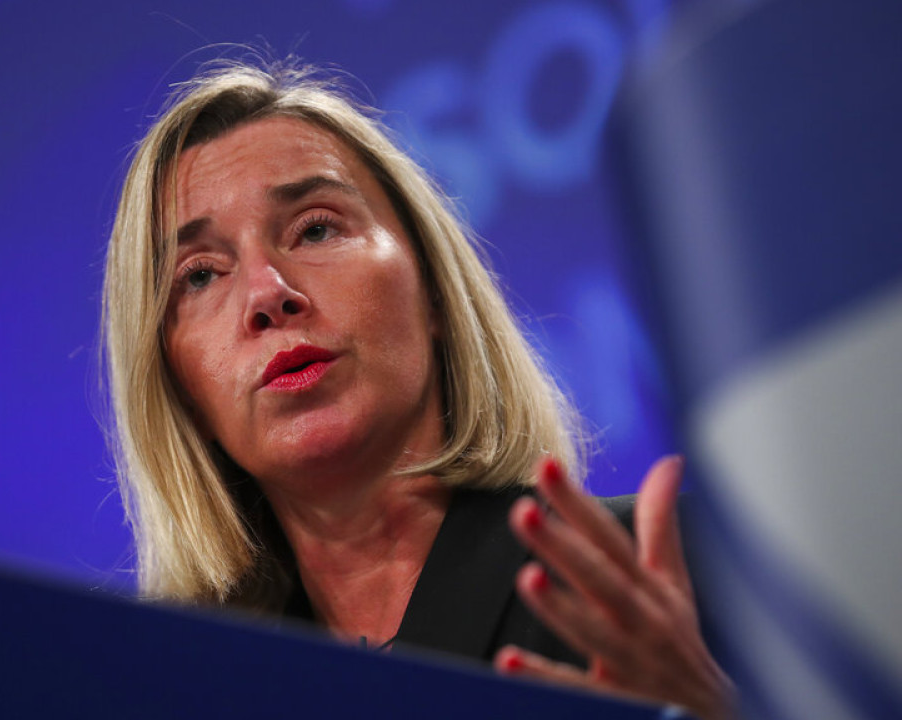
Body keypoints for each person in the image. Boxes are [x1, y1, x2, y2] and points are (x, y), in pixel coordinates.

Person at [102, 56, 732, 719]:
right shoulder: (191, 698)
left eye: (315, 228)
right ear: (181, 388)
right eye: (201, 274)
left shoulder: (665, 580)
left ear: (432, 289)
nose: (266, 293)